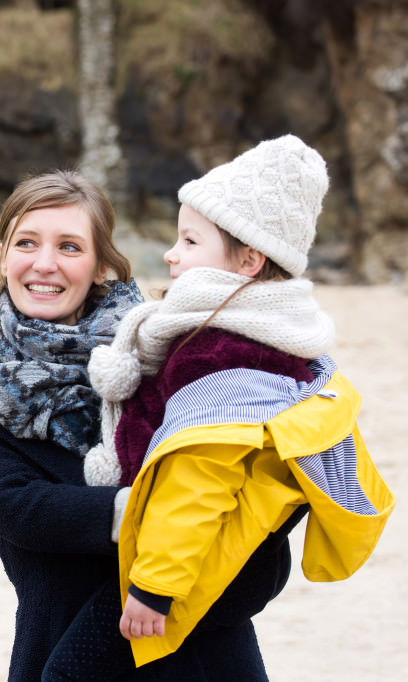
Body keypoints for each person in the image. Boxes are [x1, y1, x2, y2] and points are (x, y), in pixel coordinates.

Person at [48, 134, 395, 679]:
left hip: (184, 565)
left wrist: (153, 588)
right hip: (210, 556)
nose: (171, 254)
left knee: (68, 673)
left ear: (249, 260)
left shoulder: (219, 355)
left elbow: (195, 478)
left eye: (189, 241)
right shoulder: (274, 338)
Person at [0, 169, 295, 682]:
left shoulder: (179, 363)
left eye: (70, 247)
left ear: (102, 266)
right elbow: (19, 509)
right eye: (26, 242)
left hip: (203, 654)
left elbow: (254, 545)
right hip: (61, 653)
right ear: (3, 256)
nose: (44, 263)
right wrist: (154, 513)